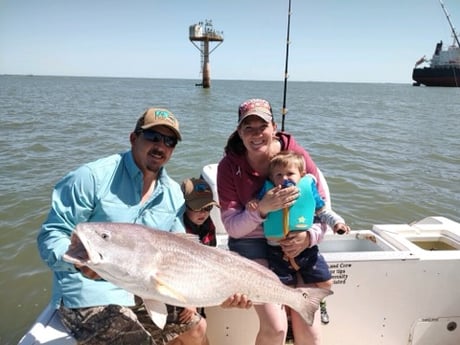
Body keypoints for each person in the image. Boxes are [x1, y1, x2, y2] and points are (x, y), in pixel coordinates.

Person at [37, 107, 249, 345]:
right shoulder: (91, 178)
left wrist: (191, 294)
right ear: (133, 137)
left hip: (143, 288)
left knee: (197, 328)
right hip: (90, 291)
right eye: (153, 137)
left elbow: (180, 248)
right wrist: (77, 263)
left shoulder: (172, 194)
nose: (161, 146)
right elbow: (52, 232)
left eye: (169, 141)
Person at [217, 98, 333, 345]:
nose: (256, 134)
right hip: (250, 245)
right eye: (248, 127)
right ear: (239, 132)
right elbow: (231, 227)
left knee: (309, 326)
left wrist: (308, 237)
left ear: (274, 127)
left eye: (263, 126)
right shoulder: (228, 166)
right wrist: (261, 210)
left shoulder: (296, 156)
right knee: (276, 327)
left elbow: (323, 210)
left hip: (293, 242)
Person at [248, 151, 350, 325]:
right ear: (272, 178)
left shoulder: (308, 189)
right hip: (276, 250)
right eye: (279, 175)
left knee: (326, 281)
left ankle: (322, 303)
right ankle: (288, 320)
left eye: (290, 174)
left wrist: (338, 224)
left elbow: (323, 211)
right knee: (285, 289)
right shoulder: (268, 192)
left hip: (307, 250)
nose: (284, 178)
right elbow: (256, 207)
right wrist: (254, 204)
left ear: (301, 175)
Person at [181, 177, 219, 247]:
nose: (203, 213)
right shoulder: (179, 231)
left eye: (208, 207)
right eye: (197, 208)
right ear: (184, 206)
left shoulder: (209, 225)